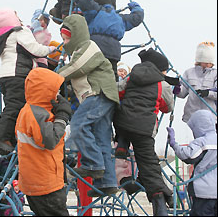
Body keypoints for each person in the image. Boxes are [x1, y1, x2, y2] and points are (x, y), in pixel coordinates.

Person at [57, 14, 120, 197]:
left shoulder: (89, 47)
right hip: (100, 96)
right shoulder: (79, 52)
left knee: (78, 125)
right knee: (101, 139)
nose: (65, 42)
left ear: (76, 34)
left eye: (67, 37)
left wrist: (54, 77)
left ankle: (93, 163)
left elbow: (78, 67)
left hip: (99, 93)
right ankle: (107, 182)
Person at [0, 9, 58, 154]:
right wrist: (51, 49)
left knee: (14, 107)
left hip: (6, 76)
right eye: (17, 17)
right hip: (18, 74)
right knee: (16, 105)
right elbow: (34, 49)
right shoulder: (19, 31)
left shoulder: (5, 36)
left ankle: (9, 140)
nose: (20, 19)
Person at [113, 48, 175, 216]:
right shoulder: (163, 85)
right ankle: (161, 207)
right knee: (150, 168)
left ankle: (122, 146)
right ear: (160, 68)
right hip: (144, 131)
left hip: (123, 124)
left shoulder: (132, 76)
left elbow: (118, 90)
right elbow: (168, 107)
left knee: (123, 115)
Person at [15, 67, 71, 216]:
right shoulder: (36, 113)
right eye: (55, 90)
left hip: (37, 181)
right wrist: (62, 117)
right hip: (44, 184)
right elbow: (51, 140)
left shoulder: (30, 110)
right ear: (45, 91)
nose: (57, 95)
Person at [69, 0, 144, 80]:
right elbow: (137, 17)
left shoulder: (96, 11)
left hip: (95, 47)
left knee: (92, 75)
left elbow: (84, 0)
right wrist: (136, 7)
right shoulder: (120, 19)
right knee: (111, 76)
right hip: (114, 52)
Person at [167, 109, 217, 216]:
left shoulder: (203, 141)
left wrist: (174, 144)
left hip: (204, 192)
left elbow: (188, 155)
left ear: (199, 126)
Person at [173, 41, 217, 123]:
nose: (208, 64)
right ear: (199, 61)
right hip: (191, 116)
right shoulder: (189, 73)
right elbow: (182, 94)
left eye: (210, 62)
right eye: (206, 62)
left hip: (210, 117)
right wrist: (177, 89)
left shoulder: (215, 74)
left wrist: (207, 93)